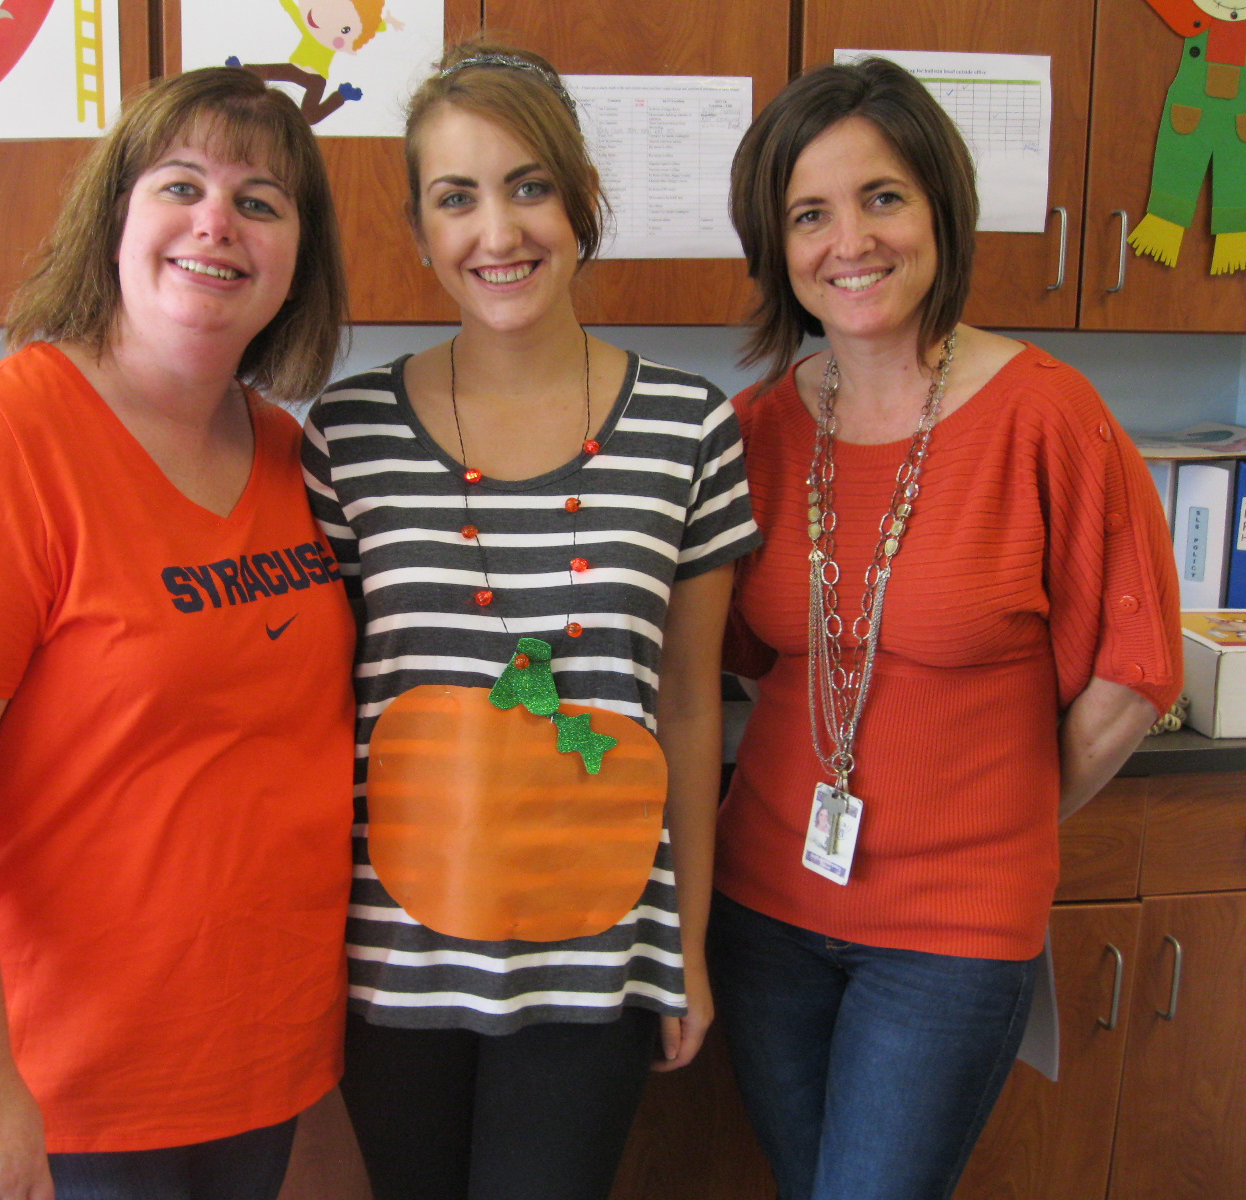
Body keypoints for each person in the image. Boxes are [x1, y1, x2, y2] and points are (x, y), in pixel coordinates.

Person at [0, 67, 355, 1200]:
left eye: (262, 202)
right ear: (113, 218)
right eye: (182, 185)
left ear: (295, 263)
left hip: (248, 1064)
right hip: (58, 1087)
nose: (218, 221)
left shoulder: (284, 453)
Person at [710, 57, 1182, 1200]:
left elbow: (1130, 675)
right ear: (777, 247)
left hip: (950, 936)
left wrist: (990, 829)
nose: (850, 242)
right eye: (808, 214)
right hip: (763, 907)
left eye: (882, 197)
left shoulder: (1046, 416)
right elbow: (740, 657)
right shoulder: (756, 430)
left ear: (938, 209)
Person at [302, 41, 761, 1200]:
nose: (496, 232)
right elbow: (313, 706)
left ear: (580, 202)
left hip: (598, 953)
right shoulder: (344, 435)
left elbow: (688, 704)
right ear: (417, 231)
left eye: (529, 186)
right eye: (456, 198)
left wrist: (687, 950)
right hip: (388, 959)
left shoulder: (689, 429)